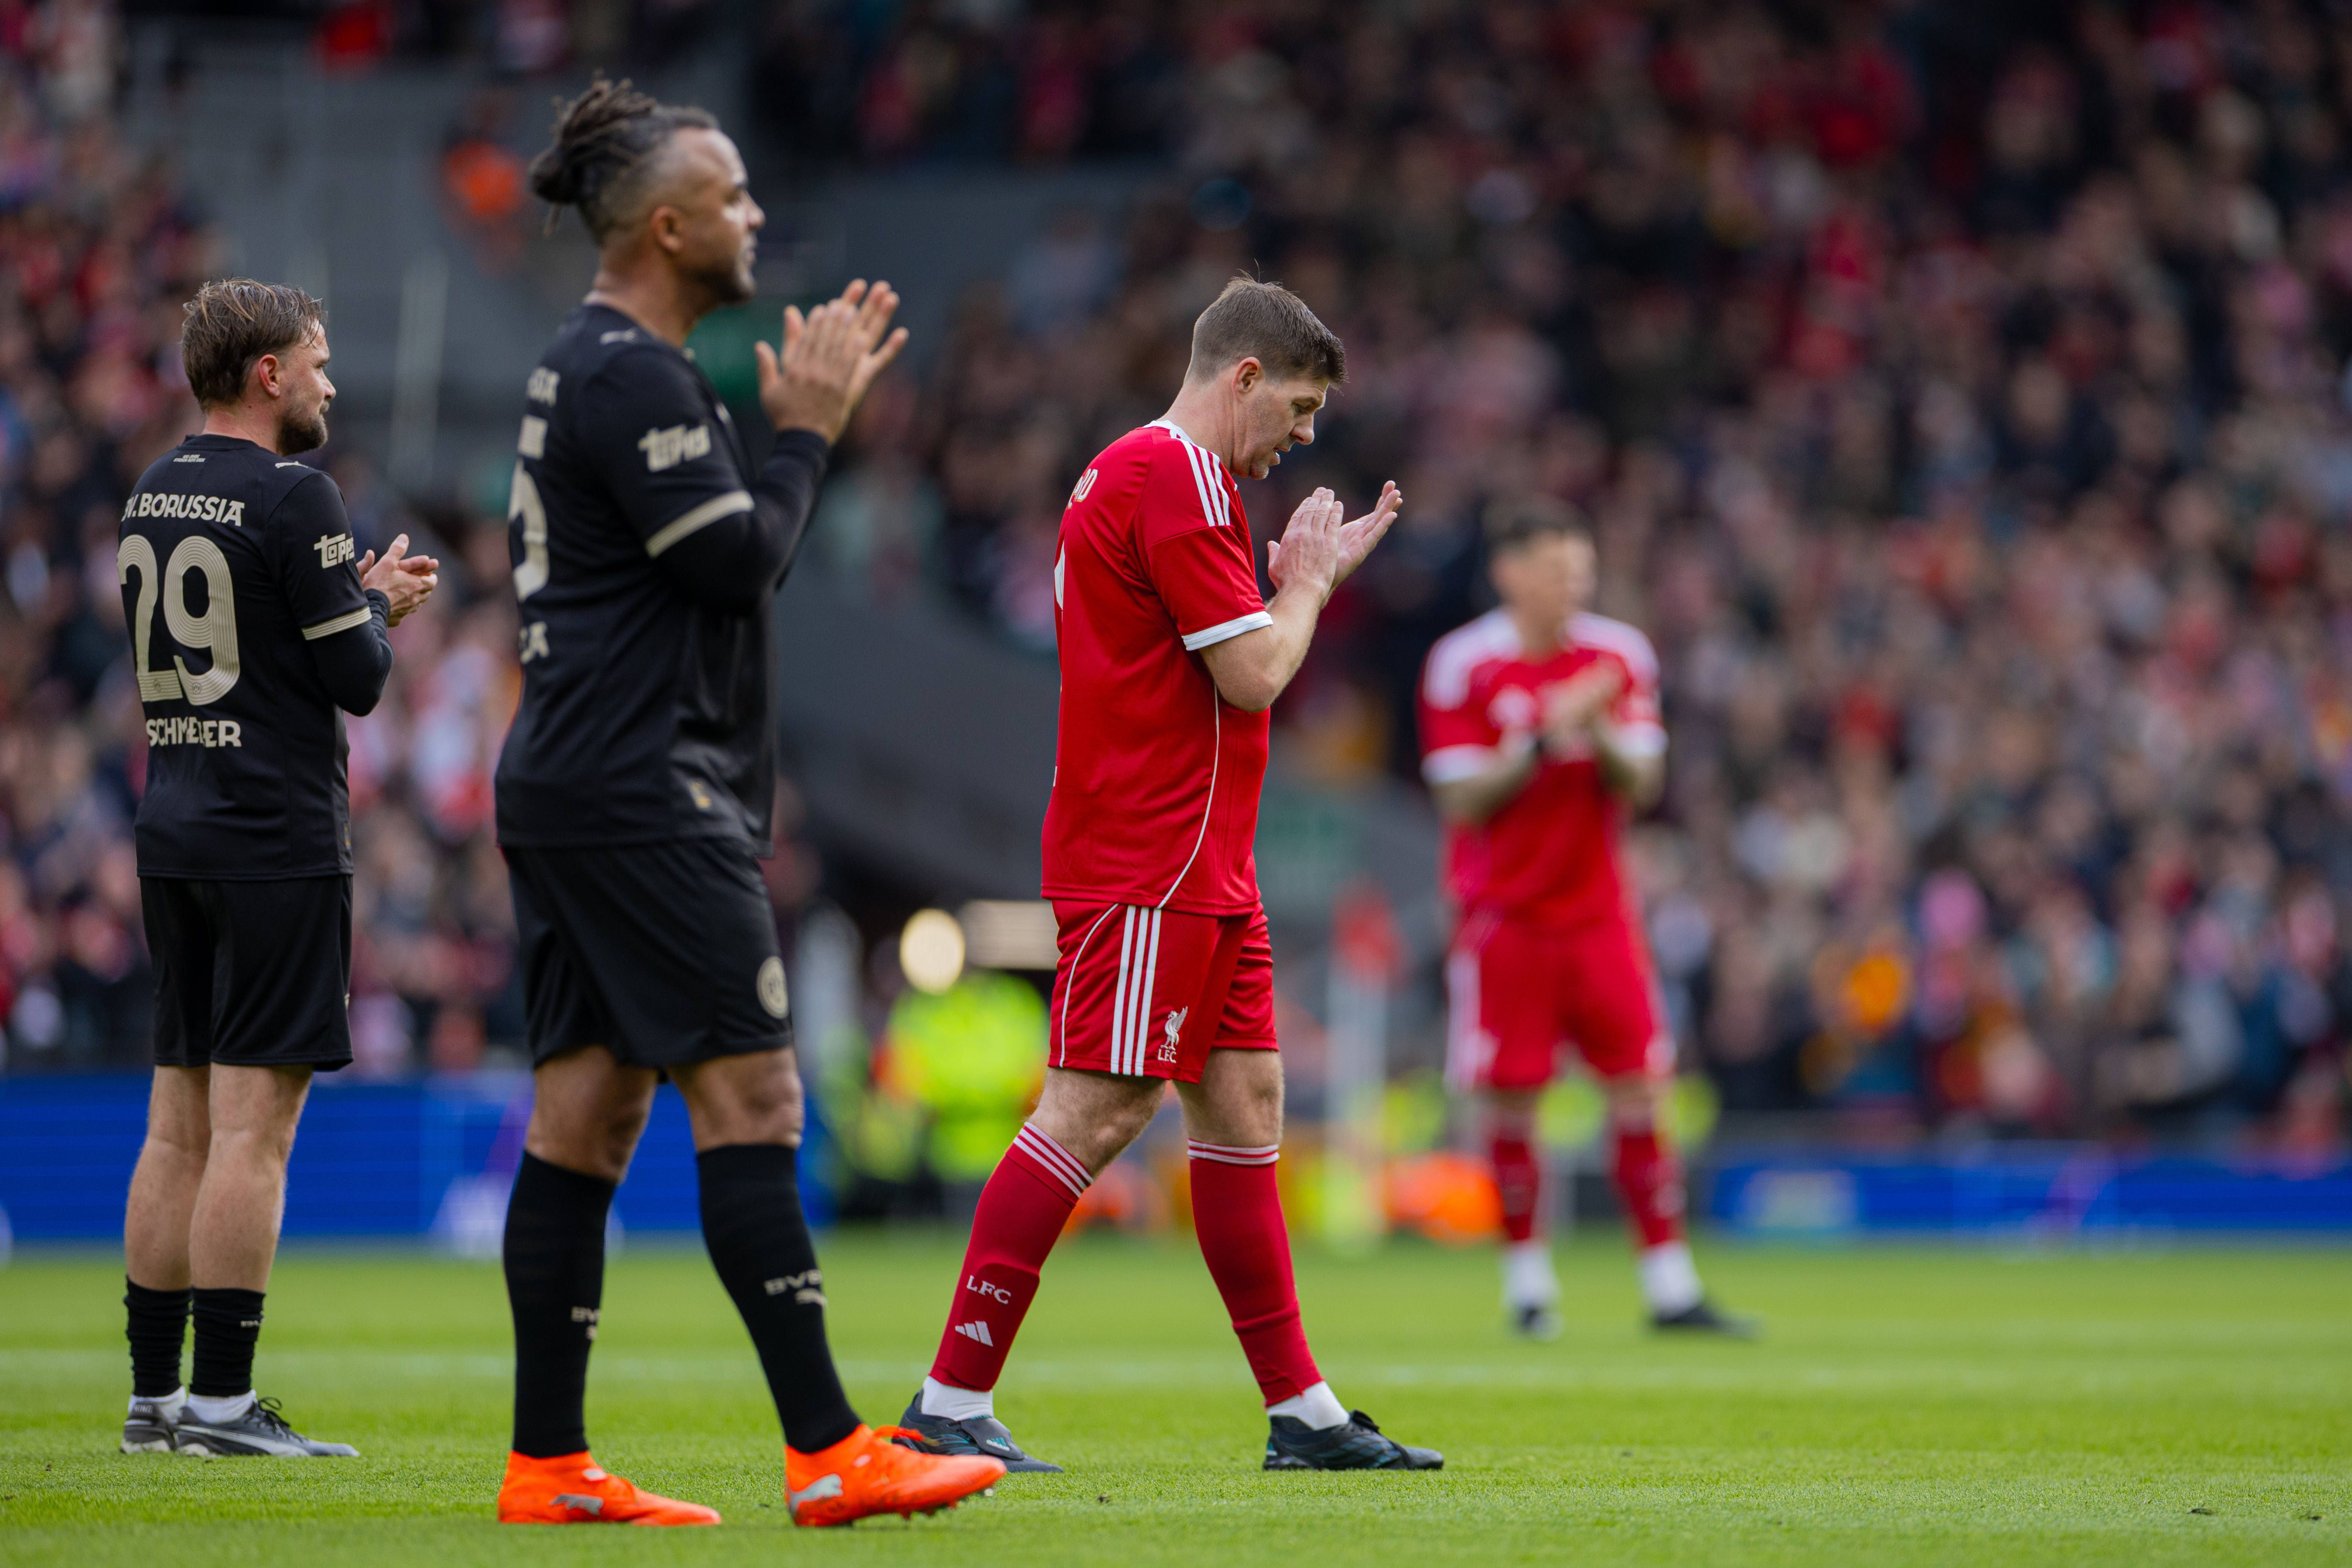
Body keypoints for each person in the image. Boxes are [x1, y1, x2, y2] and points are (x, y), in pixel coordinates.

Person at [488, 78, 1003, 1528]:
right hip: (643, 782)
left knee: (585, 1117)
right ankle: (831, 1445)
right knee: (758, 1093)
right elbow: (732, 563)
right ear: (667, 223)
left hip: (579, 773)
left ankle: (547, 1462)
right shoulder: (634, 375)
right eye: (732, 195)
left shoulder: (595, 364)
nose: (757, 214)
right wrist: (809, 432)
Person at [892, 277, 1441, 1475]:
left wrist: (1294, 588)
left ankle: (1301, 1414)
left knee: (1244, 1113)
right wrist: (1303, 589)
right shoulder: (1176, 478)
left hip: (1204, 861)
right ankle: (948, 1397)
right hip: (1156, 853)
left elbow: (1216, 659)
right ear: (1242, 377)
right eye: (1296, 408)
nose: (1304, 436)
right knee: (1099, 1107)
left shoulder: (1137, 477)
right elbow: (1252, 678)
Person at [118, 279, 440, 1457]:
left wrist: (348, 607)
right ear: (266, 374)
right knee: (255, 1134)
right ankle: (220, 1408)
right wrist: (376, 604)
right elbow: (353, 679)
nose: (327, 383)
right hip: (274, 839)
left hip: (175, 828)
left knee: (176, 1127)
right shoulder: (297, 492)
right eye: (316, 361)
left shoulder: (152, 490)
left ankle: (154, 1403)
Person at [1417, 498, 1749, 1338]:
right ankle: (1529, 1287)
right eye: (1559, 568)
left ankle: (1670, 1285)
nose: (1575, 584)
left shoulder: (1618, 654)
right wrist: (1538, 733)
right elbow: (1460, 796)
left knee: (1641, 1086)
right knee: (1513, 1100)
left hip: (1600, 912)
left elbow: (1641, 784)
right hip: (1504, 918)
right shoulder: (1464, 664)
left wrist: (1595, 724)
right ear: (1510, 572)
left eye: (1583, 569)